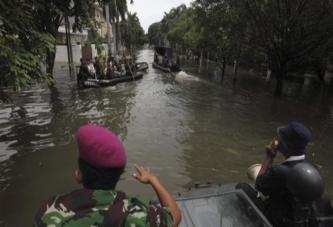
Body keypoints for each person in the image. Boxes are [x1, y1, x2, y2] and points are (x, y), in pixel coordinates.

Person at [34, 125, 182, 227]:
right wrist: (153, 180)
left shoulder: (48, 212)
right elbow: (175, 216)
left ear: (78, 176)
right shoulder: (139, 214)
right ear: (122, 171)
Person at [237, 122, 332, 227]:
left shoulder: (280, 171)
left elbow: (259, 184)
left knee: (241, 188)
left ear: (285, 145)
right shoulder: (311, 167)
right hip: (299, 218)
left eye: (280, 139)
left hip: (280, 221)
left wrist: (269, 157)